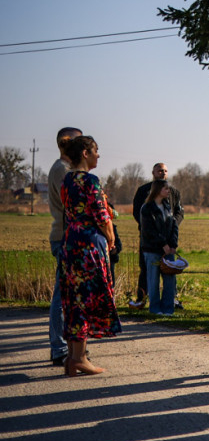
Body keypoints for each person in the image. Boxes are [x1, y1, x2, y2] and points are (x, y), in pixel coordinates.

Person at [60, 135, 121, 376]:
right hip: (89, 245)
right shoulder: (90, 180)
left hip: (71, 241)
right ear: (85, 153)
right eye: (96, 151)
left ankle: (74, 356)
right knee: (86, 298)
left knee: (74, 299)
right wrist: (110, 236)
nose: (98, 155)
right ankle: (80, 358)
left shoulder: (67, 180)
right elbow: (100, 213)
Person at [46, 126, 82, 366]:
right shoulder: (62, 170)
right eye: (80, 142)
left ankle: (65, 347)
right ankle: (59, 348)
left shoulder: (67, 169)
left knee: (67, 294)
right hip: (64, 237)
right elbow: (73, 203)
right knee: (62, 295)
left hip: (68, 236)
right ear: (67, 144)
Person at [131, 164, 183, 309]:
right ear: (153, 172)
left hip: (168, 240)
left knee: (169, 273)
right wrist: (156, 232)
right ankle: (142, 299)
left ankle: (171, 301)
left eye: (166, 170)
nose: (163, 173)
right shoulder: (143, 192)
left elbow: (178, 213)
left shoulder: (173, 193)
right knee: (147, 271)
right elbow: (138, 214)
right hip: (150, 242)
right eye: (160, 170)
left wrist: (173, 228)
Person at [139, 179, 180, 316]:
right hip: (152, 250)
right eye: (166, 188)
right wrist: (163, 244)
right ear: (158, 190)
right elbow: (149, 230)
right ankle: (155, 309)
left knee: (169, 280)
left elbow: (174, 225)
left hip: (168, 250)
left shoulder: (168, 207)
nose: (169, 191)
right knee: (153, 280)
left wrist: (173, 244)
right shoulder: (147, 208)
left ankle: (168, 308)